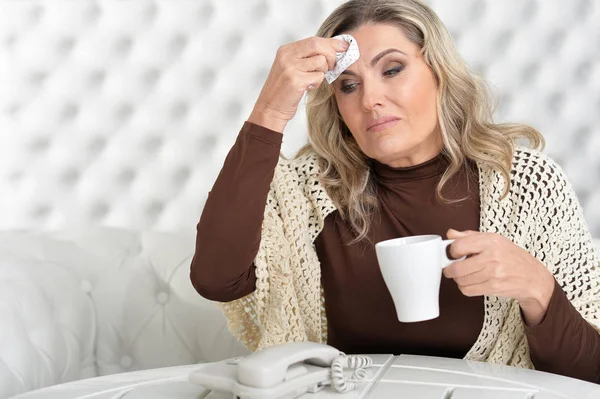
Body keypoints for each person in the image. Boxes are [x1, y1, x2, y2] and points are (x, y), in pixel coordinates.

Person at [190, 0, 600, 384]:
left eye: (392, 70)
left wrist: (538, 290)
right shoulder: (307, 193)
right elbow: (216, 280)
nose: (370, 100)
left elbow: (591, 368)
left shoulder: (525, 185)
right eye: (348, 86)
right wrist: (271, 110)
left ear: (439, 74)